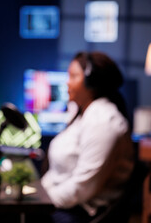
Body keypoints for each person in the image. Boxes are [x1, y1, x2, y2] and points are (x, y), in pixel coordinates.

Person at [40, 51, 135, 223]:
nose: (67, 83)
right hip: (65, 202)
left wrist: (41, 200)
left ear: (92, 82)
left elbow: (82, 188)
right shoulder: (83, 113)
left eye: (73, 76)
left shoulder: (104, 122)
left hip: (82, 212)